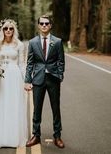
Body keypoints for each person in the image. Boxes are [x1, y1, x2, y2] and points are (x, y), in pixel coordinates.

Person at [24, 15, 65, 149]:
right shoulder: (33, 42)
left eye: (47, 23)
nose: (44, 25)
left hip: (53, 79)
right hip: (38, 79)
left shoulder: (57, 42)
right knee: (37, 109)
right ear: (38, 25)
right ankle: (36, 135)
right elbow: (30, 63)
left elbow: (61, 60)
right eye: (41, 23)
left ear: (50, 25)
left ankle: (57, 136)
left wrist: (59, 75)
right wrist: (27, 80)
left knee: (55, 108)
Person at [0, 19, 28, 148]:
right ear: (2, 30)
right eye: (5, 28)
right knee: (1, 104)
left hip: (15, 77)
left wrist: (26, 80)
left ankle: (14, 138)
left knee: (14, 104)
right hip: (2, 77)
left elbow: (21, 64)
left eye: (11, 28)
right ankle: (1, 137)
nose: (8, 30)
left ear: (14, 30)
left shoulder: (20, 45)